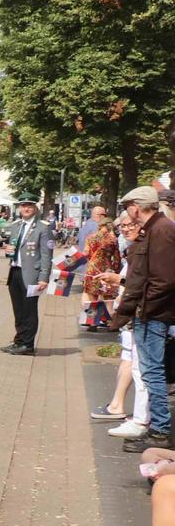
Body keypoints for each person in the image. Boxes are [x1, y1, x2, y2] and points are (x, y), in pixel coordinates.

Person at [111, 185, 173, 452]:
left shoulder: (161, 230)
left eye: (128, 207)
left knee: (152, 373)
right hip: (149, 312)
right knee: (150, 372)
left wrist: (143, 307)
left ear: (136, 207)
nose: (128, 213)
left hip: (152, 314)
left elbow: (164, 280)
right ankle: (157, 428)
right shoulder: (155, 229)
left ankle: (160, 431)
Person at [3, 194, 51, 356]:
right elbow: (13, 248)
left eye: (29, 206)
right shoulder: (16, 225)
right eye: (23, 206)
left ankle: (27, 344)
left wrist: (44, 278)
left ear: (35, 208)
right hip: (15, 271)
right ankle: (19, 340)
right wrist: (8, 251)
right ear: (19, 208)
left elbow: (46, 255)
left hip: (32, 274)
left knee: (29, 310)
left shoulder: (42, 228)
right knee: (18, 310)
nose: (26, 208)